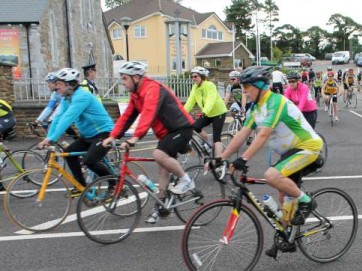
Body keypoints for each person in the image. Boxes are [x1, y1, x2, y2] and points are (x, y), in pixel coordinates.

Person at [216, 65, 323, 257]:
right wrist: (221, 158)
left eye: (247, 87)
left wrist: (243, 158)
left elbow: (263, 134)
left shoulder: (276, 102)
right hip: (290, 152)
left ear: (259, 86)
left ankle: (307, 202)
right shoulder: (256, 109)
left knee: (271, 175)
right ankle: (288, 238)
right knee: (283, 196)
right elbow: (243, 133)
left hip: (308, 147)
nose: (244, 92)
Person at [102, 61, 196, 224]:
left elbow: (148, 113)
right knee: (162, 169)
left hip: (180, 128)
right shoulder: (136, 94)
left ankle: (186, 180)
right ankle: (162, 207)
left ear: (136, 77)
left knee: (158, 154)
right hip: (166, 133)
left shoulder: (152, 88)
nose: (122, 83)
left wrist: (136, 137)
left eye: (124, 79)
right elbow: (127, 116)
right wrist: (113, 136)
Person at [37, 68, 114, 196]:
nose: (57, 88)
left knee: (89, 161)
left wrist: (52, 139)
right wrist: (49, 137)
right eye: (56, 85)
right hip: (88, 135)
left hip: (103, 133)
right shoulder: (67, 98)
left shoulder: (82, 97)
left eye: (60, 84)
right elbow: (58, 118)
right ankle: (81, 186)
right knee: (68, 154)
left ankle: (114, 183)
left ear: (70, 85)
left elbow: (67, 119)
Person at [184, 66, 228, 158]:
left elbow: (211, 100)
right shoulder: (195, 88)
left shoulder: (210, 85)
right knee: (195, 126)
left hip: (218, 112)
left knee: (217, 137)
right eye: (192, 77)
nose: (193, 79)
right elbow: (190, 102)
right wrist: (182, 113)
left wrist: (203, 112)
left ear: (202, 77)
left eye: (195, 76)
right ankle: (208, 142)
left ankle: (218, 160)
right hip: (207, 113)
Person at [33, 73, 78, 137]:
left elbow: (61, 107)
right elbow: (49, 108)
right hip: (67, 113)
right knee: (63, 125)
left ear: (55, 83)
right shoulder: (55, 94)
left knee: (57, 124)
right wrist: (37, 121)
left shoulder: (64, 92)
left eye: (49, 83)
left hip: (75, 112)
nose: (48, 85)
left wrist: (50, 120)